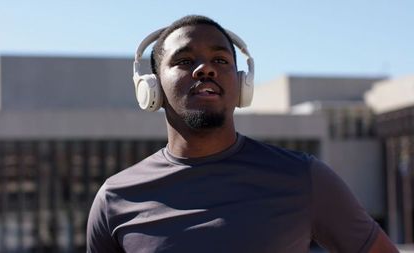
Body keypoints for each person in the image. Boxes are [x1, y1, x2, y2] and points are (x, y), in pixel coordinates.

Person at [87, 15, 398, 253]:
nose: (204, 69)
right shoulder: (115, 198)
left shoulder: (304, 177)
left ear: (241, 84)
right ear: (152, 88)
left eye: (220, 60)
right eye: (184, 61)